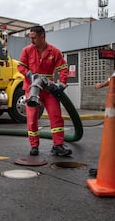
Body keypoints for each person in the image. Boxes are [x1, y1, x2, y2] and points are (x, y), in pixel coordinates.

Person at [18, 25, 72, 156]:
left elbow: (63, 68)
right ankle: (34, 146)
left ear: (42, 36)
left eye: (34, 38)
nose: (32, 41)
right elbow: (20, 66)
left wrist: (62, 84)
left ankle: (58, 145)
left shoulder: (54, 52)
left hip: (49, 89)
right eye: (30, 38)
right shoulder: (27, 50)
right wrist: (29, 74)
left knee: (56, 116)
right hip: (32, 89)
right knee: (31, 118)